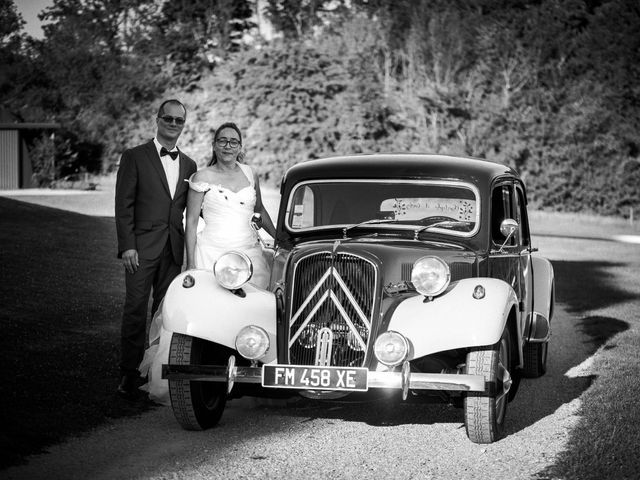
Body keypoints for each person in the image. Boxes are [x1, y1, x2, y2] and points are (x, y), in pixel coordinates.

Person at [139, 122, 276, 405]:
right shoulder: (201, 177)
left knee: (254, 308)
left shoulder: (251, 174)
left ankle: (251, 367)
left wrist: (281, 237)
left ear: (241, 146)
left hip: (249, 254)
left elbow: (259, 211)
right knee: (211, 314)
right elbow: (190, 224)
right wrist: (190, 263)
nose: (228, 146)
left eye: (233, 141)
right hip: (213, 253)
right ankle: (207, 372)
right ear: (214, 145)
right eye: (222, 141)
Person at [114, 99, 197, 400]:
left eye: (179, 121)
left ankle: (154, 372)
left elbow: (195, 208)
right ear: (158, 120)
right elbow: (123, 206)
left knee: (164, 313)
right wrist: (127, 247)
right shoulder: (134, 156)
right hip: (141, 249)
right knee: (135, 309)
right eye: (168, 119)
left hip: (173, 251)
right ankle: (128, 373)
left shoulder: (190, 165)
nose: (173, 124)